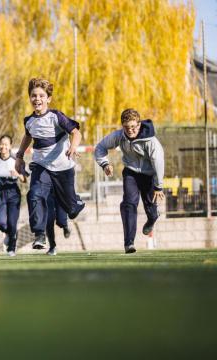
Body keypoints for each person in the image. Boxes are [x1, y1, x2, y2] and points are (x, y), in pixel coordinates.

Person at [15, 78, 85, 250]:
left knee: (71, 209)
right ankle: (39, 234)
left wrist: (74, 146)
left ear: (48, 99)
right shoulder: (29, 121)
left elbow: (76, 133)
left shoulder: (56, 117)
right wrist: (19, 156)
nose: (37, 99)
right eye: (33, 95)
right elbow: (28, 136)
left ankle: (75, 203)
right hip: (41, 165)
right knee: (35, 194)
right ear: (29, 98)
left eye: (41, 95)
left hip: (63, 167)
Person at [94, 108, 165, 254]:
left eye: (133, 127)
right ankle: (129, 243)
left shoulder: (150, 141)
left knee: (150, 209)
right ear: (122, 126)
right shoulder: (120, 136)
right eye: (127, 127)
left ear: (139, 125)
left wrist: (158, 186)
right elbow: (100, 147)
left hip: (149, 175)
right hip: (131, 172)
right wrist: (105, 164)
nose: (130, 130)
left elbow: (158, 162)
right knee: (129, 203)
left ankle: (152, 218)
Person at [0, 135, 25, 256]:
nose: (3, 146)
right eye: (1, 144)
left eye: (6, 144)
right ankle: (10, 233)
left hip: (13, 192)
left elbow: (24, 179)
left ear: (10, 146)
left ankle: (11, 248)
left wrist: (17, 174)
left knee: (12, 222)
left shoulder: (16, 161)